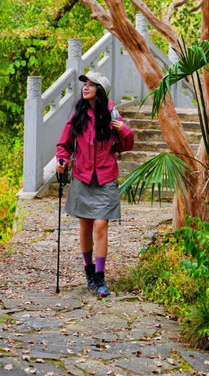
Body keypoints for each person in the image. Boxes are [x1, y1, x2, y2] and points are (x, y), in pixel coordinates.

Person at [56, 70, 134, 299]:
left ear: (99, 90)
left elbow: (126, 144)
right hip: (82, 176)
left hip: (105, 176)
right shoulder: (78, 114)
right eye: (85, 84)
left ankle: (100, 278)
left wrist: (125, 130)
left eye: (91, 84)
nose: (85, 87)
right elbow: (65, 144)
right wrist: (62, 160)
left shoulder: (112, 114)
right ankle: (89, 271)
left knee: (101, 225)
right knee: (85, 226)